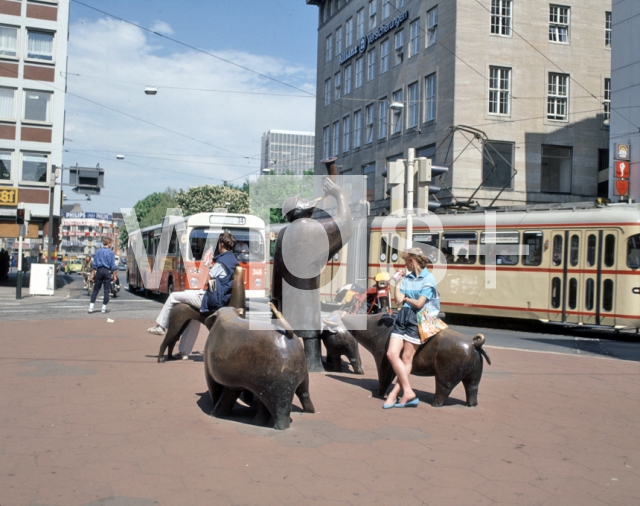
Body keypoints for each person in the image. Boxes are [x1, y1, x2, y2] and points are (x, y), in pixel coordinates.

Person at [147, 231, 239, 359]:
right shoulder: (233, 260)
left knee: (173, 296)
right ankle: (184, 351)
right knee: (193, 318)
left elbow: (208, 280)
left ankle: (161, 326)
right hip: (221, 298)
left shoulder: (221, 262)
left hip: (212, 299)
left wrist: (208, 268)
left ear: (221, 244)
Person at [383, 247, 440, 409]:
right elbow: (398, 300)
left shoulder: (429, 279)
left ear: (412, 261)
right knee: (391, 354)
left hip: (417, 320)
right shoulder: (407, 278)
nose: (405, 265)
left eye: (406, 261)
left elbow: (419, 303)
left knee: (407, 358)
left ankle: (394, 394)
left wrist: (406, 298)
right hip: (402, 319)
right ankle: (408, 391)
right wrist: (397, 282)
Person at [89, 237, 118, 314]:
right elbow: (113, 265)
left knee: (96, 289)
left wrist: (92, 274)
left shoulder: (98, 251)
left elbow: (94, 264)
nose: (111, 245)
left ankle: (91, 307)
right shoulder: (111, 253)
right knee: (106, 290)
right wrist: (114, 275)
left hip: (99, 271)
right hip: (107, 271)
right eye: (111, 243)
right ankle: (103, 308)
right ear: (108, 243)